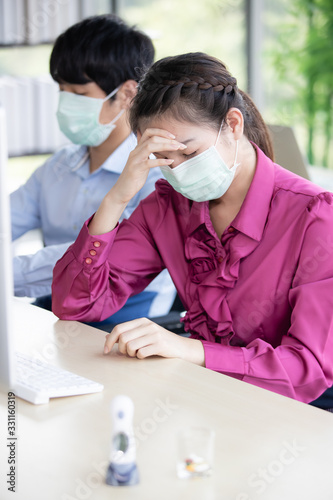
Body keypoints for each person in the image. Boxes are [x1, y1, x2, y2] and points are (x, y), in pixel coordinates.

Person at [52, 52, 333, 407]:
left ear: (233, 125)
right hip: (202, 393)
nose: (179, 171)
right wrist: (116, 199)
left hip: (294, 410)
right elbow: (74, 305)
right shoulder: (167, 206)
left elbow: (306, 369)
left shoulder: (316, 215)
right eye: (165, 159)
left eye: (189, 152)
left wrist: (191, 350)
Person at [10, 15, 176, 325]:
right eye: (62, 90)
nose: (65, 103)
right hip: (56, 304)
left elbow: (103, 256)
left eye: (80, 94)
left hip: (127, 313)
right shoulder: (58, 166)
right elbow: (8, 217)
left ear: (127, 93)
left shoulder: (156, 174)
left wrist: (8, 274)